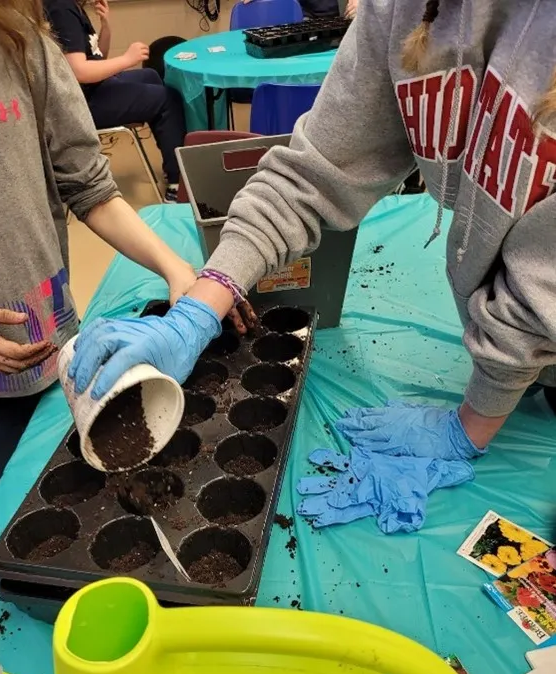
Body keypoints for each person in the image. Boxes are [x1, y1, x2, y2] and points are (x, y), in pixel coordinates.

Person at [69, 0, 556, 530]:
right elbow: (313, 175)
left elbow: (544, 278)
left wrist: (472, 425)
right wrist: (200, 309)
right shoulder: (402, 12)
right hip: (512, 339)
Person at [0, 0, 197, 516]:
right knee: (23, 527)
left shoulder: (18, 43)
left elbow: (88, 185)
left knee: (100, 513)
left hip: (61, 353)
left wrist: (173, 267)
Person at [44, 0, 186, 202]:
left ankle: (173, 164)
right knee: (167, 99)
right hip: (81, 104)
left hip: (93, 89)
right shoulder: (61, 8)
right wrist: (128, 59)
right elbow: (79, 71)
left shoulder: (72, 7)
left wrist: (105, 26)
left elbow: (97, 59)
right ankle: (176, 186)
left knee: (150, 76)